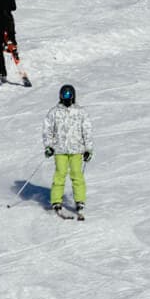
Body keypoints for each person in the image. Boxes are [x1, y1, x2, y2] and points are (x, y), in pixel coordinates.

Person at [41, 82, 94, 218]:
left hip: (76, 149)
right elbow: (47, 130)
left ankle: (80, 201)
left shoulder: (80, 112)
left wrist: (88, 149)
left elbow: (87, 130)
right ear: (60, 96)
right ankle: (56, 201)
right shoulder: (54, 112)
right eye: (64, 95)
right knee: (60, 174)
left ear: (73, 96)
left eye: (69, 95)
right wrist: (49, 146)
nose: (67, 98)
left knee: (77, 174)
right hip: (60, 149)